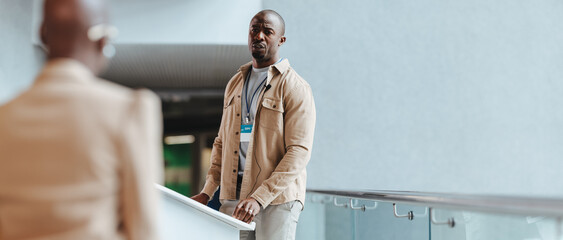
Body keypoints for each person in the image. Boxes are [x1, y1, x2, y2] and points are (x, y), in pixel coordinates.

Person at [0, 0, 163, 239]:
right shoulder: (129, 110)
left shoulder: (5, 118)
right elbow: (144, 229)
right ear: (102, 41)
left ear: (43, 34)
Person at [191, 9, 316, 240]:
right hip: (234, 196)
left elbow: (299, 151)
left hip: (278, 200)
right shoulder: (235, 83)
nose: (259, 36)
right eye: (254, 30)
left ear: (281, 40)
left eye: (267, 32)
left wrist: (259, 197)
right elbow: (221, 143)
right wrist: (207, 192)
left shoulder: (295, 87)